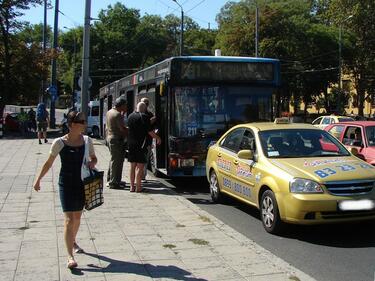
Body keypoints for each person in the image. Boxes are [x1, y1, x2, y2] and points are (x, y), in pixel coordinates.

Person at [33, 111, 97, 269]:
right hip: (66, 184)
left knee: (77, 218)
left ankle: (72, 241)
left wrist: (92, 162)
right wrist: (38, 179)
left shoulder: (87, 141)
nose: (85, 124)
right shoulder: (59, 143)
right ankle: (70, 256)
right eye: (82, 121)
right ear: (72, 124)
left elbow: (94, 158)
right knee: (69, 220)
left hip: (82, 183)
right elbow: (48, 163)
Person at [127, 102, 161, 192]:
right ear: (144, 109)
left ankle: (131, 186)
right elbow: (150, 132)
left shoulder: (130, 116)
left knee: (132, 166)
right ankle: (138, 187)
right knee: (140, 166)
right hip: (141, 144)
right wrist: (158, 138)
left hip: (131, 144)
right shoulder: (145, 117)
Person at [106, 97, 128, 189]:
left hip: (110, 137)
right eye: (125, 105)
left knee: (113, 159)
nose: (126, 106)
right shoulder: (117, 114)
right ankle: (114, 182)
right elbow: (121, 129)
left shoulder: (110, 112)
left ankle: (112, 179)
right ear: (122, 105)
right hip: (116, 139)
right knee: (117, 161)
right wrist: (130, 131)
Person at [140, 97, 156, 181]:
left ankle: (143, 176)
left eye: (147, 103)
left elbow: (151, 128)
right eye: (144, 103)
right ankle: (139, 177)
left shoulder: (150, 114)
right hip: (139, 141)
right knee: (139, 160)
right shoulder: (137, 114)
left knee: (145, 159)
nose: (146, 105)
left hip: (148, 140)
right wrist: (150, 121)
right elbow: (144, 125)